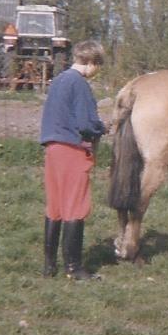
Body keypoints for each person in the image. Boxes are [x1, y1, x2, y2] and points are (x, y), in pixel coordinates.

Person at [39, 40, 107, 280]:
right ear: (91, 63)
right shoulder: (80, 84)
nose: (97, 72)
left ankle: (49, 266)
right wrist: (102, 128)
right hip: (72, 150)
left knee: (55, 206)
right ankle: (74, 268)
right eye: (98, 66)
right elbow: (85, 123)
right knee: (76, 207)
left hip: (53, 148)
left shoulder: (59, 80)